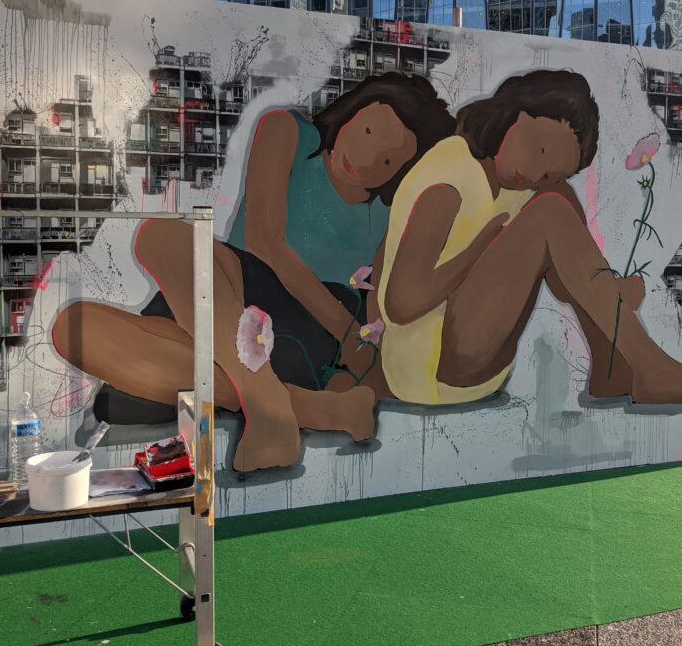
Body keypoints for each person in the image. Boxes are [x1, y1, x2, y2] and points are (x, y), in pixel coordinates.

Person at [53, 72, 456, 472]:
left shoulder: (391, 211)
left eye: (387, 161)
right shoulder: (289, 132)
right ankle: (291, 405)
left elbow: (381, 297)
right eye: (367, 131)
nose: (366, 160)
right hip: (223, 297)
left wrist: (353, 344)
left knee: (157, 247)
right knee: (75, 325)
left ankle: (270, 401)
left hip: (307, 331)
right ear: (352, 111)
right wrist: (349, 336)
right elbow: (265, 244)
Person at [376, 69, 682, 408]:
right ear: (515, 113)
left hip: (480, 362)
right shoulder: (447, 180)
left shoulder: (519, 181)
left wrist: (602, 290)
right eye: (540, 150)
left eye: (546, 173)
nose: (533, 174)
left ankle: (613, 369)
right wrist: (479, 246)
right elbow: (400, 304)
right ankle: (649, 365)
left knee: (557, 198)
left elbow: (566, 275)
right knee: (550, 212)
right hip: (429, 367)